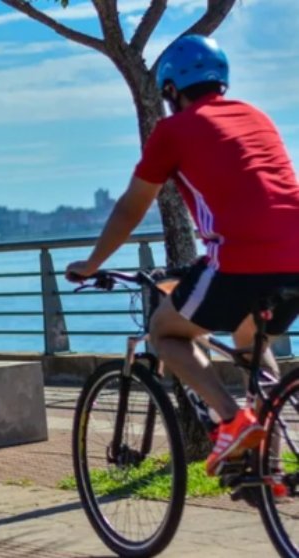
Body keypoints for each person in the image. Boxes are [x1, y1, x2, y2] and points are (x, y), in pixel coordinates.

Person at [65, 35, 299, 476]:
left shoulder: (172, 131)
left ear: (170, 91)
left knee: (165, 331)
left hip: (238, 260)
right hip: (297, 257)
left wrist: (92, 264)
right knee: (251, 340)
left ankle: (233, 421)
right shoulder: (258, 117)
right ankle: (262, 461)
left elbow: (132, 207)